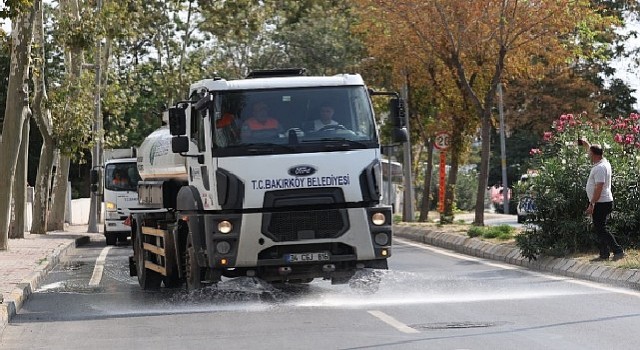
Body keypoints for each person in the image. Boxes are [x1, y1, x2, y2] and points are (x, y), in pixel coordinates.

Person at [580, 139, 624, 261]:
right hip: (602, 201)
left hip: (601, 202)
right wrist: (587, 143)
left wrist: (592, 204)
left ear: (594, 155)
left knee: (601, 229)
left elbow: (599, 187)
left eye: (590, 153)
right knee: (599, 228)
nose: (588, 154)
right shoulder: (603, 163)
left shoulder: (600, 168)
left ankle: (618, 250)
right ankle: (604, 254)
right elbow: (592, 150)